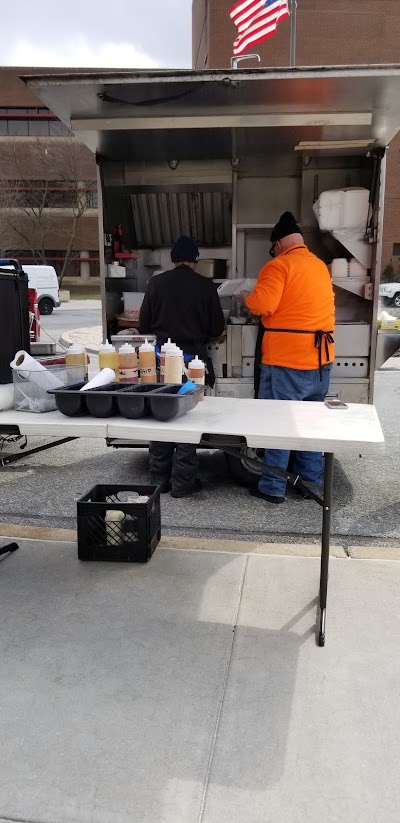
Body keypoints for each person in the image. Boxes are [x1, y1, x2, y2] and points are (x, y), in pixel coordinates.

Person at [239, 211, 335, 504]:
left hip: (286, 363)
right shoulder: (319, 266)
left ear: (277, 244)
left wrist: (245, 295)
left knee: (278, 426)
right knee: (309, 426)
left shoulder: (278, 265)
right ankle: (309, 485)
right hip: (321, 361)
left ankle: (272, 487)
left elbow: (263, 304)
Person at [139, 235, 225, 498]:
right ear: (194, 262)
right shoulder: (205, 286)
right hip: (192, 363)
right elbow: (216, 327)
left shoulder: (156, 283)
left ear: (173, 260)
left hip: (161, 361)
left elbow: (144, 324)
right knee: (188, 418)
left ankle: (158, 480)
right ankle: (183, 482)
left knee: (161, 416)